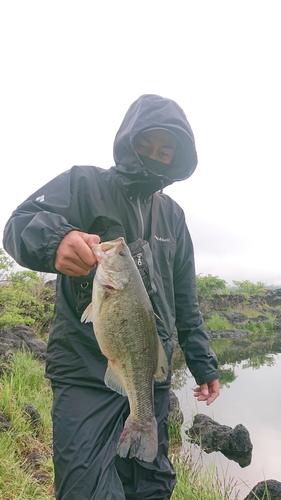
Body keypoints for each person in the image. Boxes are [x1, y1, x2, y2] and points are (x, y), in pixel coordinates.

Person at [3, 94, 220, 500]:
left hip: (147, 374)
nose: (154, 155)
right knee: (85, 487)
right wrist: (57, 240)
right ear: (128, 140)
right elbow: (19, 223)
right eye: (145, 144)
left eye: (165, 149)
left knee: (150, 485)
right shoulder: (84, 184)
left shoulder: (172, 215)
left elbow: (185, 296)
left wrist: (203, 362)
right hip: (86, 373)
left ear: (177, 157)